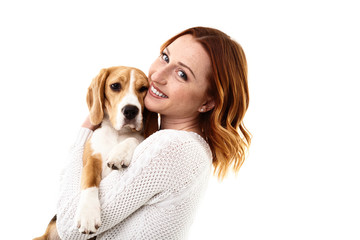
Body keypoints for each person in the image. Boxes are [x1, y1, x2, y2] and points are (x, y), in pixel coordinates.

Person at [56, 26, 251, 239]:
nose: (157, 76)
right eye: (165, 57)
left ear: (207, 102)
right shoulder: (182, 146)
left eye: (182, 74)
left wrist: (85, 131)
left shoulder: (170, 147)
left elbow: (69, 229)